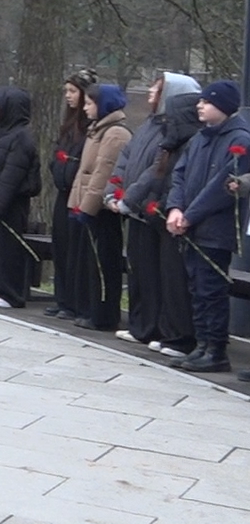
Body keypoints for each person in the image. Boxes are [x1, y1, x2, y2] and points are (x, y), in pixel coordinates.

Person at [108, 73, 200, 354]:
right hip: (139, 208)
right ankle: (142, 325)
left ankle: (163, 330)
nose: (149, 92)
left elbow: (162, 173)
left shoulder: (177, 134)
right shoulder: (150, 125)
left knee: (162, 277)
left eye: (157, 89)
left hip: (157, 213)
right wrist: (116, 191)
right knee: (141, 273)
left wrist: (150, 202)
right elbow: (128, 159)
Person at [166, 80, 250, 373]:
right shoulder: (199, 139)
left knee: (211, 290)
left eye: (207, 101)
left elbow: (221, 188)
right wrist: (175, 208)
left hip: (215, 229)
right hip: (190, 227)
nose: (199, 105)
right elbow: (179, 174)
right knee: (196, 289)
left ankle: (216, 349)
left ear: (224, 106)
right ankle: (201, 345)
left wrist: (190, 216)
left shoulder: (239, 140)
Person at [69, 82, 131, 330]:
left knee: (104, 261)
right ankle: (92, 309)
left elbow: (102, 173)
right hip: (89, 205)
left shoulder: (115, 134)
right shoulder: (98, 129)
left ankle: (104, 314)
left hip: (101, 210)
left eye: (89, 103)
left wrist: (88, 207)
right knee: (91, 262)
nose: (85, 108)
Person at [0, 87, 41, 309]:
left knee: (8, 248)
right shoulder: (1, 131)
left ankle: (11, 292)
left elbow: (11, 175)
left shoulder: (21, 137)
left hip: (10, 202)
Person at [45, 69, 96, 321]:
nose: (68, 96)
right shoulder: (67, 125)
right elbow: (57, 153)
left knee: (76, 248)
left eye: (73, 91)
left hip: (77, 195)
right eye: (66, 91)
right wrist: (58, 168)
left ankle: (74, 301)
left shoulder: (89, 128)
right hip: (63, 192)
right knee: (61, 245)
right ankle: (62, 297)